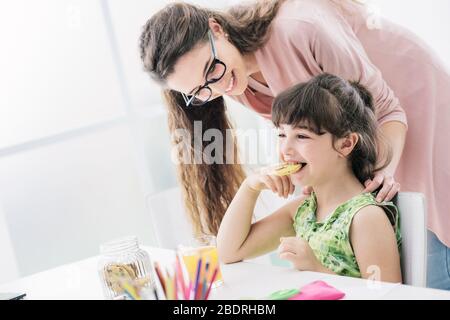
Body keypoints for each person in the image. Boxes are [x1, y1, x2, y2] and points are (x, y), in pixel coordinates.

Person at [140, 0, 450, 289]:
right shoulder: (232, 81)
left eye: (212, 68)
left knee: (427, 232)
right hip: (359, 140)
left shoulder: (300, 29)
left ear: (216, 29)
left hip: (413, 99)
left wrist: (381, 171)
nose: (219, 86)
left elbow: (388, 109)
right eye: (200, 90)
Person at [217, 74, 402, 283]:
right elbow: (229, 252)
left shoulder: (365, 218)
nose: (285, 149)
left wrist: (316, 267)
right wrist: (249, 187)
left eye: (302, 136)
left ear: (346, 144)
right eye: (281, 135)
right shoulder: (303, 211)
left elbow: (386, 295)